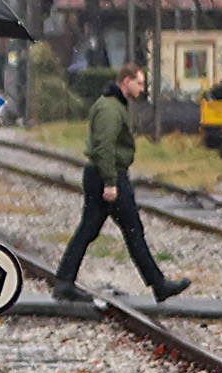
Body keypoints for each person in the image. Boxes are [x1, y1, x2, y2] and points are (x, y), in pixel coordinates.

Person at [53, 64, 193, 304]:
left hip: (102, 175)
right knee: (132, 231)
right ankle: (159, 285)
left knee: (89, 230)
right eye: (139, 83)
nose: (142, 88)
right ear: (126, 81)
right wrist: (110, 182)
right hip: (109, 176)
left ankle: (64, 282)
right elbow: (104, 146)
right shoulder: (111, 109)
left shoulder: (111, 105)